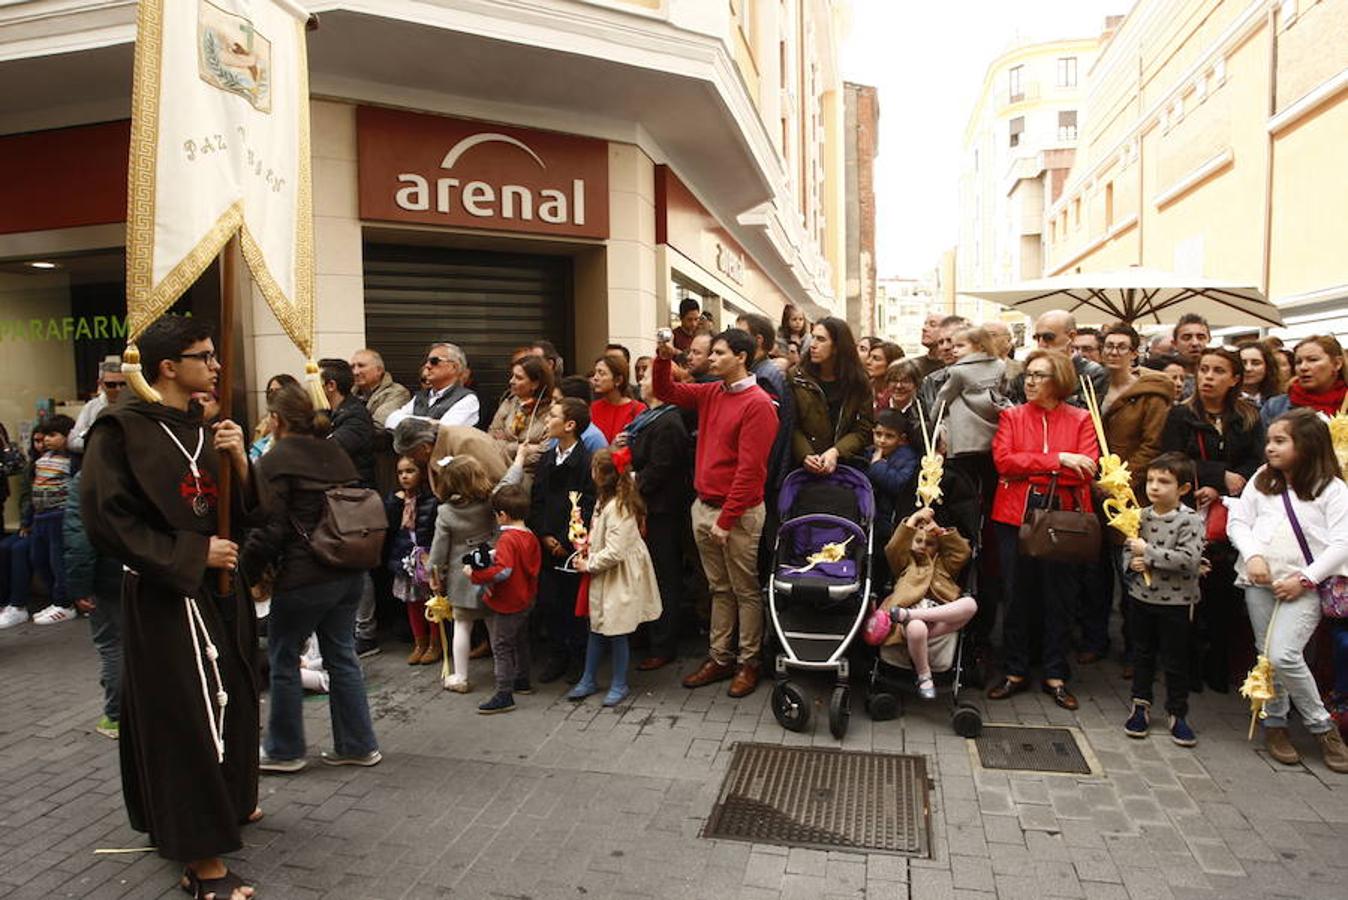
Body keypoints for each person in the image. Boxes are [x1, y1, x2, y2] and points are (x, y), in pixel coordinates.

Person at [80, 316, 261, 899]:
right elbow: (108, 521)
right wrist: (192, 553)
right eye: (203, 357)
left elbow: (239, 512)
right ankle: (198, 859)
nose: (214, 366)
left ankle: (225, 802)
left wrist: (239, 466)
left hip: (217, 592)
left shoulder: (205, 428)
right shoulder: (120, 430)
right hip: (167, 594)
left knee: (228, 702)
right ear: (167, 367)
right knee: (184, 717)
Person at [243, 383, 381, 776]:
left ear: (277, 419)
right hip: (348, 569)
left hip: (305, 574)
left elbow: (268, 529)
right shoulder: (334, 451)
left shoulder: (276, 459)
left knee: (283, 658)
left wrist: (246, 574)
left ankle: (285, 750)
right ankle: (358, 744)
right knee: (342, 655)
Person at [654, 328, 778, 698]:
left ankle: (748, 662)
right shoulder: (712, 392)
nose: (711, 359)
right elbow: (666, 392)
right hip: (704, 507)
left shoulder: (758, 403)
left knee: (745, 590)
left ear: (741, 357)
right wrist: (663, 357)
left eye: (719, 353)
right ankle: (720, 657)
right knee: (719, 589)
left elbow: (751, 469)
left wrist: (726, 520)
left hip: (736, 514)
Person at [1227, 409, 1348, 772]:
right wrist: (1252, 556)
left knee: (1284, 654)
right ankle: (1275, 722)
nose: (1270, 449)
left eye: (1281, 441)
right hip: (1260, 580)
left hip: (1304, 586)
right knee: (1265, 654)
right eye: (1269, 441)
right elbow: (1239, 521)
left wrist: (1305, 579)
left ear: (1308, 445)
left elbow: (1342, 543)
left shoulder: (1332, 488)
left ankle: (1321, 726)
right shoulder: (1263, 478)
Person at [987, 350, 1100, 710]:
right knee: (1017, 594)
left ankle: (1056, 671)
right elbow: (1004, 463)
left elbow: (1088, 468)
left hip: (1065, 517)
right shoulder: (1012, 417)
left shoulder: (1082, 419)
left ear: (1060, 380)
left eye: (1040, 375)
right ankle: (1015, 669)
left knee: (1061, 596)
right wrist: (1059, 460)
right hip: (1015, 515)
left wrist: (1036, 468)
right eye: (1029, 375)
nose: (1030, 381)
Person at [1161, 346, 1264, 693]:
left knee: (1223, 595)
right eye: (1204, 369)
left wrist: (1223, 490)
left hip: (1232, 515)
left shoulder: (1248, 417)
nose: (1208, 377)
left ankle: (1217, 664)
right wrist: (1217, 475)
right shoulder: (1180, 415)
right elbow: (1172, 459)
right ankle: (1185, 666)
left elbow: (1256, 464)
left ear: (1234, 378)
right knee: (1188, 591)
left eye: (1218, 371)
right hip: (1187, 512)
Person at [1121, 453, 1205, 747]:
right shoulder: (1139, 516)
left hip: (1177, 603)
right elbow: (1128, 548)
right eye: (1151, 480)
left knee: (1175, 658)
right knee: (1141, 654)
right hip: (1141, 598)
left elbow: (1190, 559)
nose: (1154, 487)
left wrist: (1149, 554)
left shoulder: (1190, 520)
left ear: (1182, 488)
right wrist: (1132, 563)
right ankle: (1140, 705)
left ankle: (1177, 711)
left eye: (1164, 481)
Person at [568, 448, 661, 706]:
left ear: (599, 475)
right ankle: (589, 678)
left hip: (618, 576)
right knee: (597, 627)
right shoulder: (604, 501)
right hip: (606, 574)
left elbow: (616, 551)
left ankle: (619, 682)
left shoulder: (618, 507)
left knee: (617, 629)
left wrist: (590, 563)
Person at [625, 365, 693, 671]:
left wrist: (629, 480)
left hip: (662, 512)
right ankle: (646, 634)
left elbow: (659, 470)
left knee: (663, 577)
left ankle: (663, 644)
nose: (641, 380)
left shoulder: (668, 422)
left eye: (648, 376)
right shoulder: (644, 419)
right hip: (645, 508)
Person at [879, 507, 978, 699]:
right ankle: (924, 676)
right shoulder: (905, 563)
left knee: (970, 604)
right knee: (917, 628)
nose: (923, 545)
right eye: (918, 540)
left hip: (940, 614)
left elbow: (962, 552)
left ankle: (911, 616)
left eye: (930, 543)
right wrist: (914, 519)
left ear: (938, 547)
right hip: (910, 619)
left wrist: (939, 531)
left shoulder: (945, 564)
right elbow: (894, 548)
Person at [530, 398, 596, 683]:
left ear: (569, 425)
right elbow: (538, 499)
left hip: (572, 544)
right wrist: (544, 534)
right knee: (550, 602)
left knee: (573, 605)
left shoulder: (585, 461)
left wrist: (565, 539)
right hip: (547, 541)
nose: (546, 421)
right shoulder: (547, 458)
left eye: (552, 416)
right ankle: (557, 654)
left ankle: (578, 658)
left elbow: (587, 503)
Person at [467, 484, 541, 714]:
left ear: (502, 514)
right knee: (520, 641)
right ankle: (522, 680)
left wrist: (476, 574)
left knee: (501, 646)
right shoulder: (529, 536)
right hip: (526, 599)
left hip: (508, 601)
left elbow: (503, 571)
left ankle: (503, 692)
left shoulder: (507, 538)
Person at [428, 456, 498, 692]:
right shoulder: (489, 502)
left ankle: (460, 676)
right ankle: (505, 672)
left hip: (461, 577)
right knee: (494, 625)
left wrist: (434, 574)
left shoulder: (445, 512)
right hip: (489, 567)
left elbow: (438, 549)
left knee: (462, 625)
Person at [63, 469, 124, 738]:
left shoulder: (89, 477)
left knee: (112, 644)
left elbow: (79, 537)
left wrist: (79, 586)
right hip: (151, 569)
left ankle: (116, 716)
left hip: (108, 574)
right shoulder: (150, 463)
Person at [790, 317, 874, 474]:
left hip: (845, 467)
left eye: (821, 339)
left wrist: (836, 451)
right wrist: (805, 454)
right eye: (813, 337)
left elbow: (864, 428)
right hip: (802, 469)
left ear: (837, 346)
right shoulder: (796, 377)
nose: (813, 345)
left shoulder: (858, 382)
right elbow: (791, 423)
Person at [384, 455, 438, 665]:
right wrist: (396, 502)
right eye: (400, 472)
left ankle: (436, 642)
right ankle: (420, 642)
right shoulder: (395, 499)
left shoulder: (431, 499)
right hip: (405, 555)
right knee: (412, 601)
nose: (405, 476)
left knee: (431, 601)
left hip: (425, 555)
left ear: (422, 473)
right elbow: (390, 525)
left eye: (410, 471)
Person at [29, 414, 76, 625]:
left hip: (59, 514)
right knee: (38, 558)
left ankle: (64, 603)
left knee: (58, 560)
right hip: (40, 515)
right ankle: (54, 599)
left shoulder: (72, 460)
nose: (46, 439)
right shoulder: (43, 457)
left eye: (52, 435)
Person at [1008, 310, 1108, 408]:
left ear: (1071, 336)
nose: (1041, 344)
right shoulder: (1026, 373)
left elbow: (1084, 413)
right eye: (1037, 338)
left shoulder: (1092, 373)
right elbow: (1014, 410)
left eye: (1048, 337)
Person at [867, 408, 920, 589]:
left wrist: (877, 467)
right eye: (878, 434)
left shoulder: (908, 458)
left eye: (889, 436)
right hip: (872, 520)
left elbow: (899, 484)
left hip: (891, 522)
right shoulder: (868, 453)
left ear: (901, 439)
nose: (881, 440)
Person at [385, 342, 479, 431]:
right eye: (427, 361)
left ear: (453, 367)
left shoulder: (467, 399)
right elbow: (390, 420)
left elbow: (443, 431)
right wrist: (431, 421)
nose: (427, 366)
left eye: (434, 361)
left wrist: (406, 421)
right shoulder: (421, 396)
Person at [0, 428, 42, 628]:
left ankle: (16, 604)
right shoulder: (33, 467)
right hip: (30, 518)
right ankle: (6, 602)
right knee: (5, 547)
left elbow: (14, 465)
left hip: (43, 519)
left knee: (15, 548)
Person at [1261, 335, 1348, 427]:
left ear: (1337, 364)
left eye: (1313, 360)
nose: (1303, 367)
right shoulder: (1276, 407)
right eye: (1298, 362)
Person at [487, 353, 554, 466]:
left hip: (530, 473)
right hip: (499, 466)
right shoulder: (509, 402)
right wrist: (522, 448)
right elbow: (490, 440)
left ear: (535, 384)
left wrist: (506, 444)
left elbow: (544, 453)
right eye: (512, 376)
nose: (511, 381)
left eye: (518, 378)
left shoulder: (552, 411)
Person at [320, 358, 376, 489]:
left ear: (331, 386)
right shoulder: (324, 412)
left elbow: (327, 451)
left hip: (351, 496)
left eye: (314, 384)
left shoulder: (357, 416)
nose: (308, 389)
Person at [68, 357, 125, 454]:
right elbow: (73, 441)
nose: (118, 389)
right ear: (101, 384)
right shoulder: (91, 407)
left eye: (123, 384)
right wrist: (100, 444)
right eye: (111, 385)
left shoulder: (138, 405)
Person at [589, 352, 646, 444]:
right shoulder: (593, 408)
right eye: (595, 372)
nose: (595, 378)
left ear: (618, 380)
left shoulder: (639, 410)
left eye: (601, 373)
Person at [350, 348, 411, 430]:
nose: (355, 372)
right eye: (352, 367)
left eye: (361, 366)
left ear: (379, 370)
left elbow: (378, 425)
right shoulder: (349, 392)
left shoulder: (398, 393)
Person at [1237, 340, 1283, 409]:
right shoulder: (1222, 401)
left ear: (1268, 366)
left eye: (1256, 363)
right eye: (1243, 363)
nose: (1248, 368)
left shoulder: (1280, 402)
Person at [866, 341, 905, 412]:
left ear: (891, 363)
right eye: (869, 357)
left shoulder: (899, 393)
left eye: (876, 359)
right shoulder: (864, 388)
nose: (868, 362)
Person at [912, 312, 946, 378]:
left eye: (932, 325)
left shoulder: (955, 366)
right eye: (925, 324)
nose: (924, 328)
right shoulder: (913, 365)